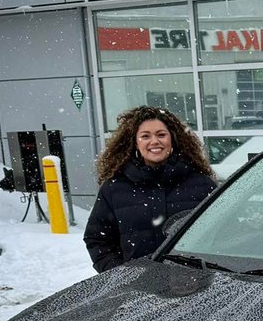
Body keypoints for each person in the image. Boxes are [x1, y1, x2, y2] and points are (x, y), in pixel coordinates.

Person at [84, 106, 217, 272]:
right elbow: (97, 239)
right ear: (135, 142)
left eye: (161, 135)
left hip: (192, 282)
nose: (154, 141)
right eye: (145, 136)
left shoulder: (201, 184)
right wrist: (121, 274)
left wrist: (206, 272)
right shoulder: (114, 188)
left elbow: (223, 234)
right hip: (138, 285)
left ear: (173, 139)